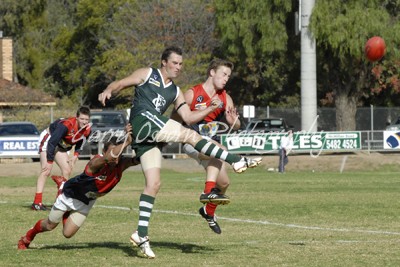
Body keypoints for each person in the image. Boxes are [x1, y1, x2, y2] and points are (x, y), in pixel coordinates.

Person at [98, 46, 262, 258]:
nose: (178, 67)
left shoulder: (175, 91)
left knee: (154, 184)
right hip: (142, 121)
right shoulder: (148, 73)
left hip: (147, 137)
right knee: (190, 136)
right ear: (164, 62)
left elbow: (189, 117)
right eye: (175, 63)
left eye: (181, 64)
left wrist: (210, 109)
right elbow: (121, 83)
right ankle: (237, 160)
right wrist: (109, 90)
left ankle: (141, 234)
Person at [18, 124, 138, 250]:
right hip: (69, 196)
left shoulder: (121, 164)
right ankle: (27, 238)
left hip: (86, 202)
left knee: (67, 234)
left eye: (119, 154)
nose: (116, 157)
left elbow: (138, 159)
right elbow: (109, 157)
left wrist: (149, 142)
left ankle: (64, 199)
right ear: (103, 152)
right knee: (49, 226)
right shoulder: (96, 163)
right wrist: (126, 141)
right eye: (113, 152)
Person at [180, 58, 240, 234]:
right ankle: (207, 192)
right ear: (212, 72)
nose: (226, 78)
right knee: (219, 150)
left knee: (224, 183)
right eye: (224, 74)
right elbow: (177, 118)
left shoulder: (225, 97)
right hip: (192, 142)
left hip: (212, 148)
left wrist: (233, 122)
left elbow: (236, 124)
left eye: (228, 76)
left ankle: (208, 212)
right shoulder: (192, 94)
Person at [31, 106, 91, 211]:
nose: (84, 122)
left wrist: (76, 155)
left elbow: (81, 142)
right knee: (46, 170)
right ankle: (37, 202)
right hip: (49, 139)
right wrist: (49, 161)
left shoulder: (87, 129)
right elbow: (51, 142)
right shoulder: (66, 125)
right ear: (76, 118)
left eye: (86, 119)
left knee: (67, 170)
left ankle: (61, 200)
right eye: (82, 119)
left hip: (60, 144)